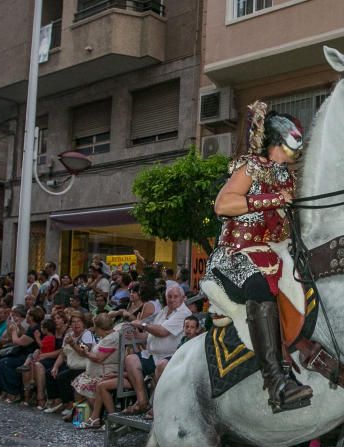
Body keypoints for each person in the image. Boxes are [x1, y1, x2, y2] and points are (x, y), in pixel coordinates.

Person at [205, 99, 311, 413]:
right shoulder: (250, 166)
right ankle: (275, 381)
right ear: (274, 144)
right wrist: (273, 199)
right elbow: (223, 205)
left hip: (271, 255)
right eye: (287, 149)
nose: (292, 156)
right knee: (259, 287)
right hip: (234, 255)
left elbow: (281, 229)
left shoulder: (288, 179)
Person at [121, 284, 191, 415]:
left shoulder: (184, 313)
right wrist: (137, 335)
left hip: (172, 356)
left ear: (182, 298)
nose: (172, 299)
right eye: (169, 296)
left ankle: (159, 405)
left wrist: (142, 324)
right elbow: (151, 334)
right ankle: (142, 401)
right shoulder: (164, 311)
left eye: (175, 296)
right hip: (153, 354)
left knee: (161, 365)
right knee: (130, 359)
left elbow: (163, 332)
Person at [71, 313, 121, 429]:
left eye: (95, 327)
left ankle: (94, 418)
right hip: (96, 372)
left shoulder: (111, 339)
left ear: (99, 328)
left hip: (105, 372)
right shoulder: (106, 337)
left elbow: (99, 358)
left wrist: (86, 353)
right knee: (79, 384)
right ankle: (85, 418)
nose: (93, 330)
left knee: (85, 385)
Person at [46, 311, 95, 416]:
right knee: (50, 373)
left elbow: (84, 351)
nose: (76, 324)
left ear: (83, 323)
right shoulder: (68, 335)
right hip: (71, 365)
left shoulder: (86, 335)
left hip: (85, 367)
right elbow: (63, 353)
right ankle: (58, 401)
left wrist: (73, 343)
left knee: (63, 377)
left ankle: (69, 404)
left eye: (79, 321)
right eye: (73, 322)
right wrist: (55, 366)